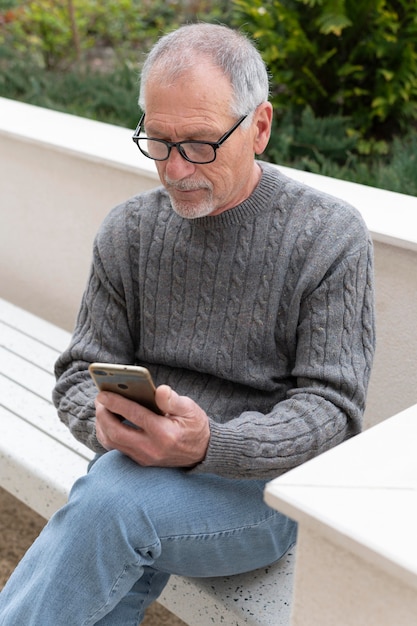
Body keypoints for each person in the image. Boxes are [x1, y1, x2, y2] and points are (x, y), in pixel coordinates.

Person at [0, 22, 375, 625]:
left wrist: (211, 444)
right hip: (133, 474)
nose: (175, 170)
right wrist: (104, 424)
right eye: (158, 141)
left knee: (111, 506)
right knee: (115, 513)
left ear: (259, 126)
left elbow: (334, 410)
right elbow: (77, 371)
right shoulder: (130, 231)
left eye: (199, 144)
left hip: (260, 493)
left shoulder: (328, 236)